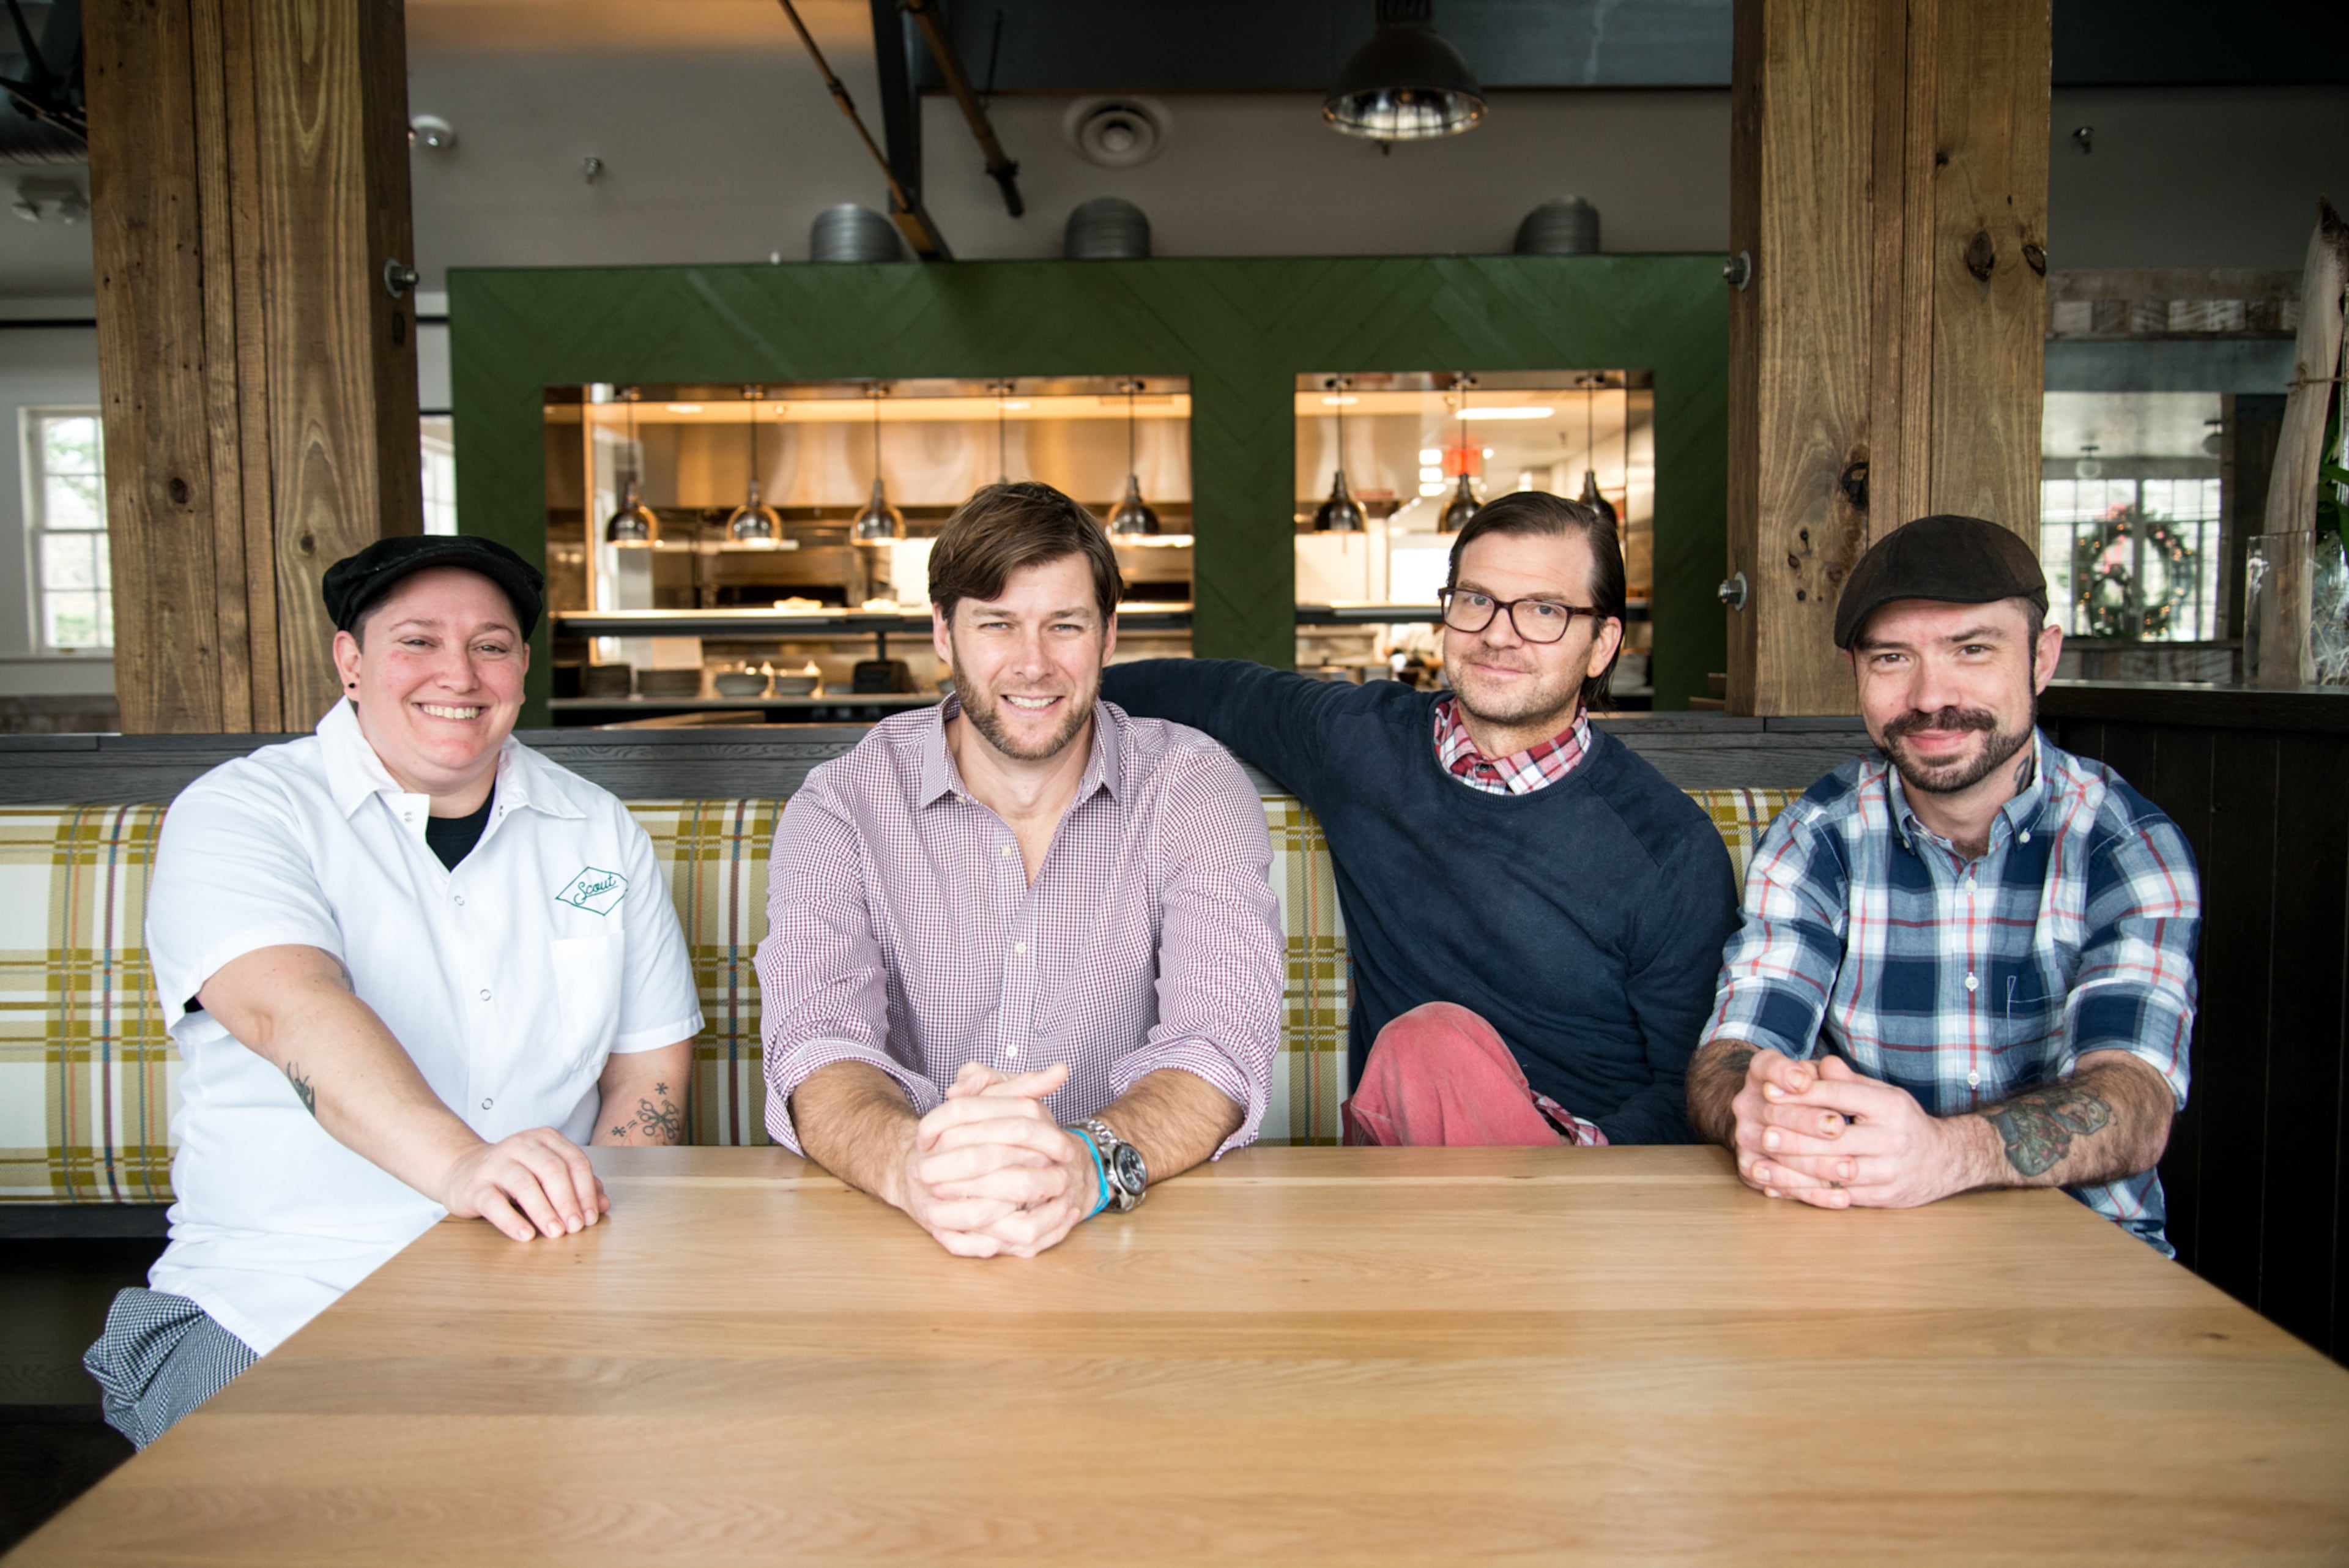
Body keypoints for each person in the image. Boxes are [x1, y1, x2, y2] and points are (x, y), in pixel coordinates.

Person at [84, 536, 704, 1448]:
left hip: (544, 1281)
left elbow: (648, 1070)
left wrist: (590, 1257)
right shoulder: (244, 811)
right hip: (282, 1290)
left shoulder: (596, 827)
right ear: (351, 661)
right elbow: (293, 1007)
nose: (459, 673)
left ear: (522, 667)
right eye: (418, 641)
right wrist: (460, 1167)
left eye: (491, 645)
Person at [1101, 491, 1739, 1148]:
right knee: (1426, 1045)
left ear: (1602, 645)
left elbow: (1688, 1088)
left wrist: (1573, 1165)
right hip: (1406, 1160)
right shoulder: (1360, 743)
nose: (1498, 634)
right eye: (1476, 600)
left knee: (1428, 1043)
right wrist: (1056, 691)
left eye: (1543, 610)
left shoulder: (1669, 847)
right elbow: (1212, 691)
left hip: (1584, 1179)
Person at [757, 482, 1282, 1258]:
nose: (1033, 665)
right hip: (902, 1234)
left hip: (1139, 1236)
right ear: (943, 633)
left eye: (1064, 625)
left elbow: (1218, 1045)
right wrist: (912, 1166)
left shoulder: (1192, 787)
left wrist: (1087, 1162)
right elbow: (816, 1045)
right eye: (997, 624)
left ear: (1108, 636)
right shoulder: (843, 804)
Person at [1685, 513, 2199, 1252]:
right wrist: (1758, 1104)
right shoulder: (1816, 837)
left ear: (2042, 658)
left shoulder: (2125, 843)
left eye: (1972, 649)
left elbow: (2135, 1102)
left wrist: (1947, 1154)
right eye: (1893, 658)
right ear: (1857, 673)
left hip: (2086, 1253)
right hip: (1858, 1242)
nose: (1930, 696)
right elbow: (1732, 1051)